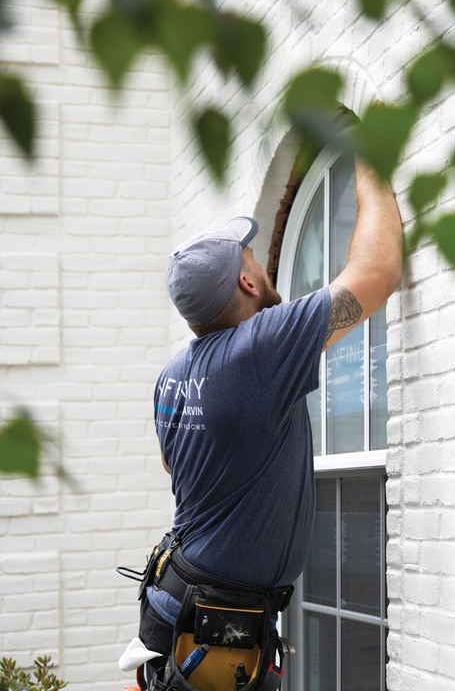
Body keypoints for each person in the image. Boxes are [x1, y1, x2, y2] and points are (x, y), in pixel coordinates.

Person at [138, 157, 403, 687]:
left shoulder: (172, 376)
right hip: (216, 626)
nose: (262, 263)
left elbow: (173, 463)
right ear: (246, 280)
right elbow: (377, 273)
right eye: (254, 256)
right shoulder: (260, 348)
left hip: (184, 604)